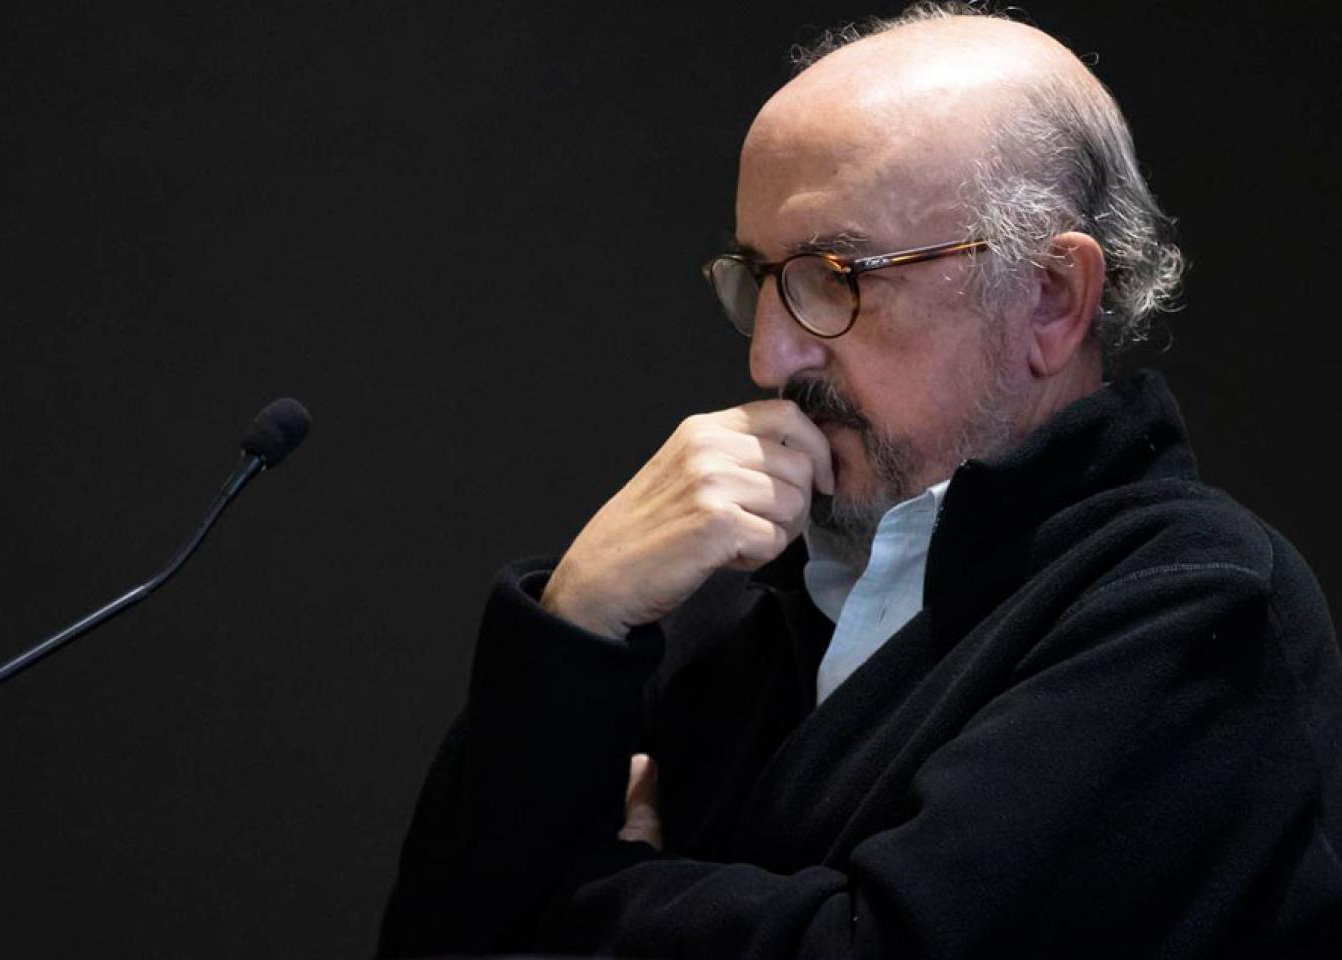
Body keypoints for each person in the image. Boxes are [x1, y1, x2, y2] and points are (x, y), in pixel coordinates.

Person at [376, 4, 1342, 957]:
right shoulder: (725, 598)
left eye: (834, 275)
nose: (769, 356)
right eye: (757, 279)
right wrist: (577, 622)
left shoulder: (1193, 600)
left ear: (1049, 297)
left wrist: (585, 893)